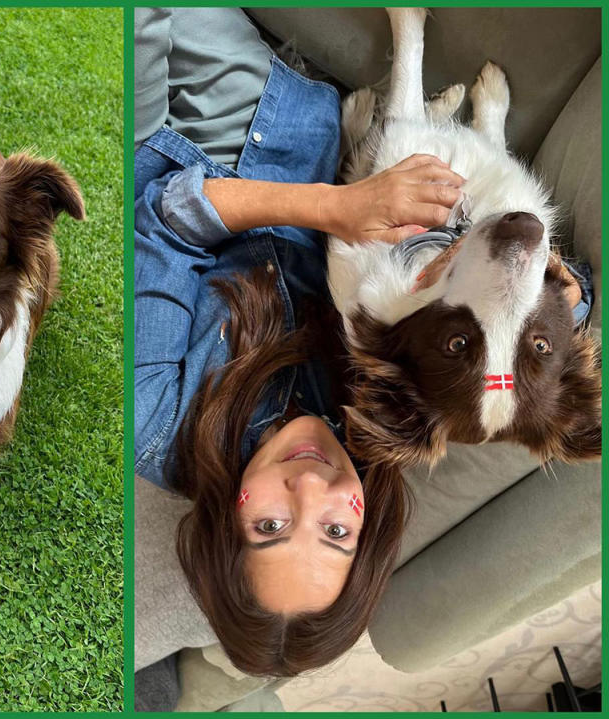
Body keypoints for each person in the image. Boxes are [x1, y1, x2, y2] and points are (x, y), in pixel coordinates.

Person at [133, 7, 465, 692]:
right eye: (335, 533)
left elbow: (166, 216)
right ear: (365, 530)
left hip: (180, 138)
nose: (313, 488)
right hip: (294, 124)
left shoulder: (153, 419)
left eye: (274, 524)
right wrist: (559, 290)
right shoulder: (388, 421)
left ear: (233, 512)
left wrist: (335, 209)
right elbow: (558, 307)